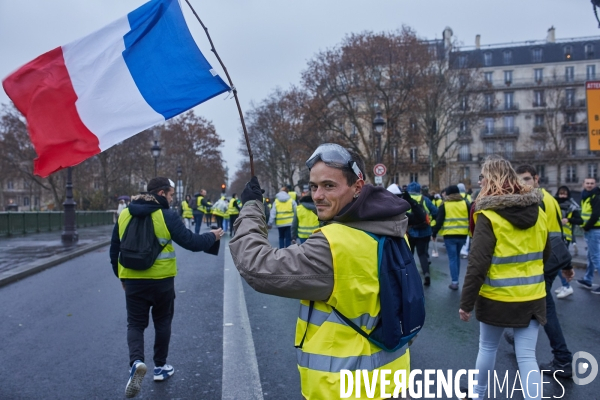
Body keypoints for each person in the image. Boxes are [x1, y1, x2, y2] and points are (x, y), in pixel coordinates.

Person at [229, 143, 411, 399]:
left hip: (342, 386)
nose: (317, 196)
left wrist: (250, 209)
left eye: (329, 186)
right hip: (391, 377)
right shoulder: (395, 230)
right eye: (314, 186)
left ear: (357, 187)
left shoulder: (334, 244)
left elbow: (257, 266)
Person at [109, 177, 223, 398]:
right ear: (161, 193)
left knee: (135, 324)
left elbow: (114, 251)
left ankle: (136, 362)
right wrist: (213, 235)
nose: (172, 199)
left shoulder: (124, 214)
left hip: (132, 280)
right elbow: (192, 242)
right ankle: (160, 367)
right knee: (162, 322)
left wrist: (121, 278)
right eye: (171, 195)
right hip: (162, 281)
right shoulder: (166, 215)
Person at [459, 156, 550, 400]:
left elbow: (477, 264)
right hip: (533, 297)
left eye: (482, 177)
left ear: (490, 179)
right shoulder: (539, 212)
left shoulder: (489, 215)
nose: (480, 181)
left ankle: (478, 394)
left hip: (497, 297)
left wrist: (466, 303)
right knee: (528, 356)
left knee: (487, 348)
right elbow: (547, 252)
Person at [514, 164, 575, 378]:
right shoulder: (549, 198)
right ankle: (518, 336)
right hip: (552, 260)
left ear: (537, 179)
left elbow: (547, 236)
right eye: (519, 180)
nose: (523, 184)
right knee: (536, 304)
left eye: (527, 179)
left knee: (545, 308)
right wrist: (566, 265)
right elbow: (559, 232)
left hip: (543, 262)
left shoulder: (536, 201)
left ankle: (563, 359)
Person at [432, 185, 470, 290]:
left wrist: (434, 233)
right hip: (463, 234)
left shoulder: (445, 204)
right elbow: (471, 217)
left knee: (453, 258)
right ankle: (456, 279)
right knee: (457, 256)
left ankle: (455, 282)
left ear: (448, 193)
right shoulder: (465, 203)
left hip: (449, 235)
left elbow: (439, 221)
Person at [406, 181, 438, 286]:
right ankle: (426, 274)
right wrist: (430, 221)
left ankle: (409, 276)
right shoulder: (425, 199)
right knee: (422, 254)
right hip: (425, 231)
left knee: (409, 254)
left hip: (410, 231)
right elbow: (435, 212)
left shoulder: (405, 199)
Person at [554, 186, 583, 299]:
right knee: (557, 263)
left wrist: (568, 220)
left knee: (558, 263)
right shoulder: (553, 203)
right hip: (554, 235)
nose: (562, 196)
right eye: (561, 193)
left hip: (565, 237)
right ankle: (564, 285)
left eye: (565, 194)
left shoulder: (572, 206)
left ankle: (566, 286)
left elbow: (580, 220)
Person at [578, 177, 600, 294]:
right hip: (592, 230)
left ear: (595, 184)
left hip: (593, 230)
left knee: (595, 257)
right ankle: (587, 279)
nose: (589, 185)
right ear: (583, 184)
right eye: (587, 183)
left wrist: (586, 227)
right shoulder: (586, 195)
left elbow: (595, 215)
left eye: (592, 183)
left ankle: (588, 279)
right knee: (591, 256)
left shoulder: (595, 196)